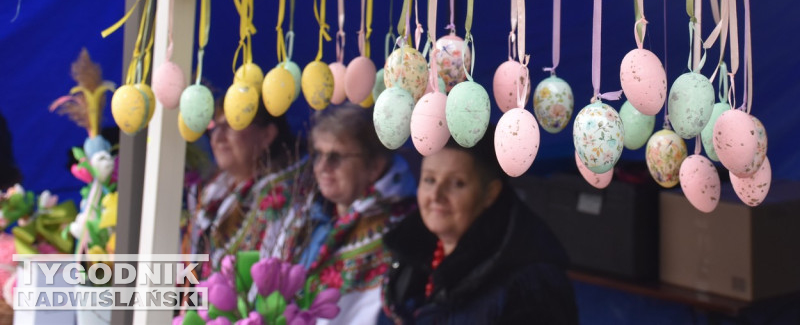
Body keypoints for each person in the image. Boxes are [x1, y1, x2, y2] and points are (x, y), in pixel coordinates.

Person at [378, 127, 579, 325]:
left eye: (457, 183)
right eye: (429, 180)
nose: (436, 196)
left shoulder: (532, 285)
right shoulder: (409, 254)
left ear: (490, 193)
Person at [262, 105, 416, 325]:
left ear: (374, 165)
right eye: (319, 154)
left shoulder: (401, 229)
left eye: (335, 157)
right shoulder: (306, 215)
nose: (322, 167)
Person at [185, 99, 297, 273]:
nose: (218, 137)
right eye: (215, 127)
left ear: (267, 135)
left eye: (232, 125)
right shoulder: (213, 191)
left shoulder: (279, 197)